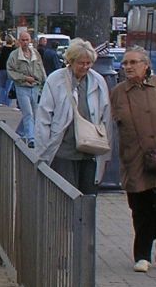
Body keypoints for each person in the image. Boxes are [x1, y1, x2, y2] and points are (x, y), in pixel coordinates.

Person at [109, 46, 156, 272]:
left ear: (146, 65)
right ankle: (142, 255)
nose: (128, 67)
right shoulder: (119, 92)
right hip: (135, 158)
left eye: (133, 62)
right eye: (125, 63)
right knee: (140, 208)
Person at [35, 38, 111, 195]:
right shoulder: (55, 80)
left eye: (89, 63)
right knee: (65, 197)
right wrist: (42, 151)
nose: (85, 67)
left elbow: (106, 116)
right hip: (63, 151)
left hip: (91, 149)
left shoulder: (98, 81)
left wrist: (106, 148)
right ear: (70, 61)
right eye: (81, 63)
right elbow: (44, 117)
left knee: (88, 197)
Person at [6, 31, 46, 147]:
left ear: (30, 40)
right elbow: (10, 71)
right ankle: (31, 138)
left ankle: (20, 132)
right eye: (23, 40)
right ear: (19, 41)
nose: (25, 42)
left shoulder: (35, 53)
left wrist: (45, 82)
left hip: (35, 86)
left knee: (34, 113)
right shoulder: (14, 55)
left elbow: (41, 68)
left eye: (27, 40)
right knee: (28, 112)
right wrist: (24, 78)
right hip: (22, 87)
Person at [0, 35, 17, 108]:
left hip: (1, 69)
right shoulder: (14, 50)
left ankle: (0, 101)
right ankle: (7, 102)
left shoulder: (2, 49)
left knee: (2, 86)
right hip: (10, 70)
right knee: (8, 86)